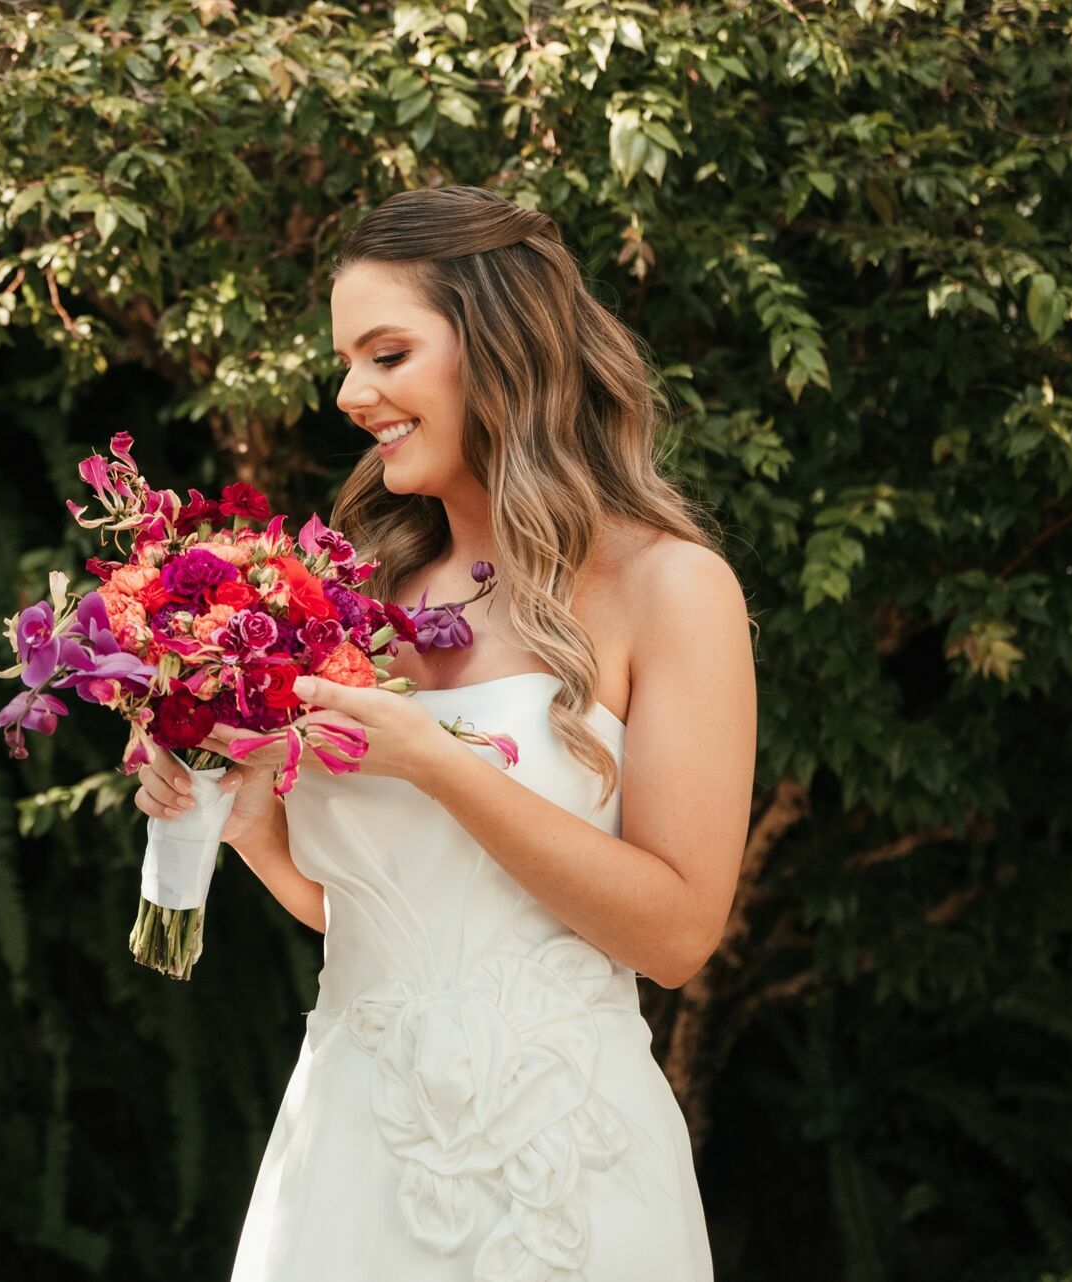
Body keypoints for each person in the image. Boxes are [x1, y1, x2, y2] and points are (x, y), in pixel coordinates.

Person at [133, 185, 756, 1281]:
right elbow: (375, 910)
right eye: (347, 360)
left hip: (564, 1169)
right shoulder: (355, 595)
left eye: (387, 353)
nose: (351, 392)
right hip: (347, 1155)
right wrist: (246, 829)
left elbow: (677, 932)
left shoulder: (667, 587)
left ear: (499, 347)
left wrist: (432, 763)